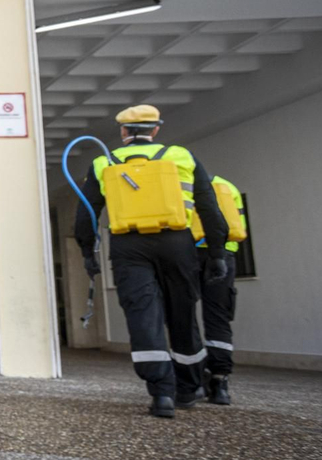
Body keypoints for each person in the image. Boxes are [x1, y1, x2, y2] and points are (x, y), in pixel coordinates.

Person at [74, 104, 228, 419]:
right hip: (177, 243)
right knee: (182, 314)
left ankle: (161, 394)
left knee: (143, 316)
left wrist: (87, 253)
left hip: (128, 247)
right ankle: (187, 389)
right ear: (156, 129)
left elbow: (86, 214)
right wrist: (216, 253)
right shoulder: (181, 156)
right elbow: (209, 207)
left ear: (123, 132)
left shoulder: (105, 162)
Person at [199, 174, 246, 405]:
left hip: (189, 254)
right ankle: (220, 381)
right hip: (225, 256)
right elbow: (239, 225)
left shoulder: (178, 184)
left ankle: (192, 378)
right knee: (218, 317)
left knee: (182, 313)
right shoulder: (229, 186)